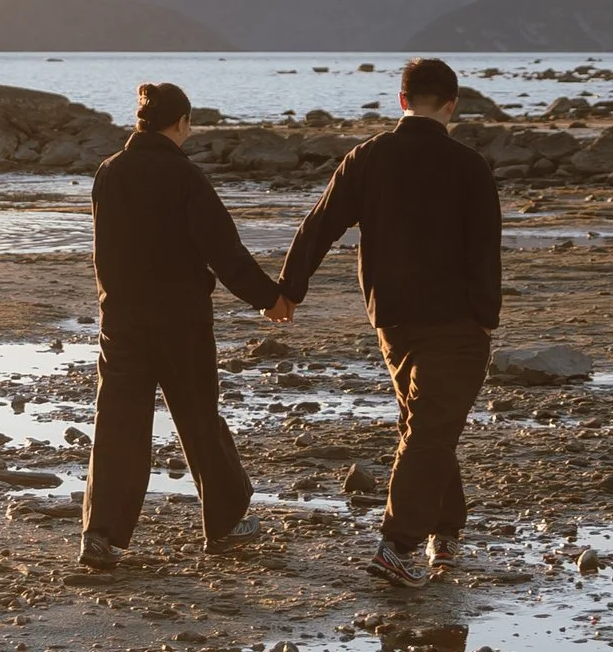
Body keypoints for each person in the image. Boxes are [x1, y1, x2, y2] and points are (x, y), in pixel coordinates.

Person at [277, 56, 502, 587]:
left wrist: (288, 289)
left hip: (394, 320)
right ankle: (397, 546)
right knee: (428, 432)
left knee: (425, 427)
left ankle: (444, 534)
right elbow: (484, 251)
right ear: (452, 105)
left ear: (402, 100)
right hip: (455, 322)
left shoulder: (367, 158)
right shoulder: (469, 166)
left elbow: (321, 223)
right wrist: (486, 319)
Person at [79, 80, 289, 570]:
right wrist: (270, 299)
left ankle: (101, 535)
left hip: (122, 317)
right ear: (181, 123)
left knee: (118, 425)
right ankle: (226, 522)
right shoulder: (185, 177)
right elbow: (224, 251)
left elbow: (101, 253)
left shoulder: (109, 173)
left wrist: (111, 303)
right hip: (180, 319)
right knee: (198, 417)